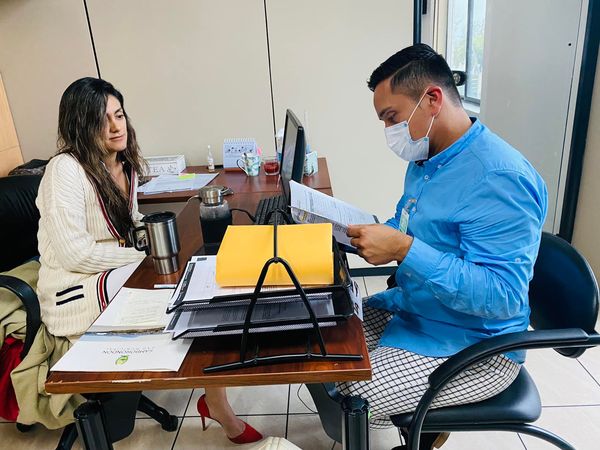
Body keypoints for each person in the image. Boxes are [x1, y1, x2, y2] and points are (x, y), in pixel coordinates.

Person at [337, 44, 548, 449]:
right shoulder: (428, 160)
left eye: (392, 118)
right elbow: (408, 224)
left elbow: (503, 296)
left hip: (478, 344)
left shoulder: (499, 178)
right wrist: (364, 234)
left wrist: (404, 249)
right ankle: (425, 427)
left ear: (432, 99)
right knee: (327, 337)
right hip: (418, 309)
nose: (389, 131)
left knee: (353, 394)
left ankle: (424, 430)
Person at [36, 77, 262, 444]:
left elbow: (129, 223)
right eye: (101, 120)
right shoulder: (64, 170)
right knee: (185, 296)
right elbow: (74, 252)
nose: (116, 127)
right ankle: (217, 405)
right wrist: (145, 255)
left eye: (119, 115)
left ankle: (215, 400)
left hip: (114, 269)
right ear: (79, 126)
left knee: (200, 284)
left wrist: (154, 233)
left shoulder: (123, 164)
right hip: (75, 289)